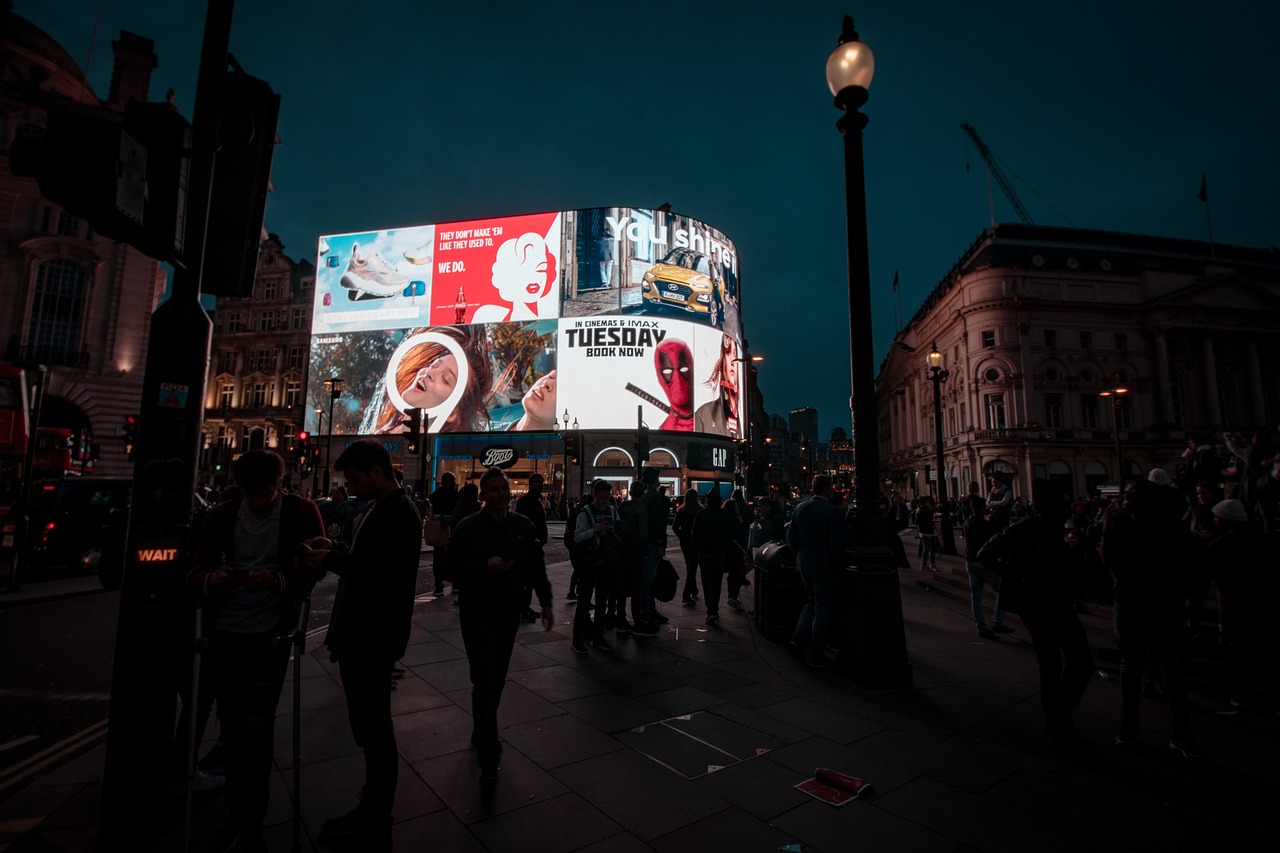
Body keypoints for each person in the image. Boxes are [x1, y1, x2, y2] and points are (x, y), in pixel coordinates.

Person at [188, 450, 326, 853]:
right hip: (226, 633)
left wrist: (279, 581)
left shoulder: (302, 512)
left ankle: (252, 819)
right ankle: (237, 810)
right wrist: (214, 579)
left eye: (265, 494)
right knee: (231, 727)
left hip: (270, 634)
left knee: (255, 726)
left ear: (279, 485)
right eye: (250, 494)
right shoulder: (221, 517)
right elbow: (194, 574)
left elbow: (316, 566)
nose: (258, 502)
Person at [302, 440, 422, 848]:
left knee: (375, 730)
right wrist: (333, 548)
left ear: (376, 471)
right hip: (364, 633)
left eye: (354, 479)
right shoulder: (378, 509)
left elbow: (378, 574)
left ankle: (375, 814)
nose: (349, 487)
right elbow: (363, 558)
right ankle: (372, 805)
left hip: (375, 634)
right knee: (369, 727)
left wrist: (332, 561)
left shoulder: (399, 513)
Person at [446, 467, 554, 786]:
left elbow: (536, 566)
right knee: (485, 679)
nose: (501, 495)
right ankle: (489, 754)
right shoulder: (468, 528)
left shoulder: (522, 525)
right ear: (482, 495)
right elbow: (450, 568)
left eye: (504, 489)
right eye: (494, 490)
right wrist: (484, 567)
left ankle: (482, 726)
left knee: (498, 678)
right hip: (476, 614)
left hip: (507, 614)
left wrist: (546, 602)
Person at [979, 479, 1094, 753]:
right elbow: (985, 553)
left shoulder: (1059, 529)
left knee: (1079, 661)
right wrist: (1017, 580)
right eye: (1063, 501)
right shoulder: (1027, 527)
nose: (1068, 505)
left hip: (1059, 603)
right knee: (1052, 662)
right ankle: (1057, 719)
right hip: (1038, 605)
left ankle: (1059, 713)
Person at [1102, 478, 1200, 758]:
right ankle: (1181, 734)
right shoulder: (1173, 524)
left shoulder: (1121, 521)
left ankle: (1130, 727)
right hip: (1166, 600)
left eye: (1129, 494)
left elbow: (1108, 559)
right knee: (1171, 667)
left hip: (1132, 598)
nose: (1124, 498)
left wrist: (1109, 526)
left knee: (1131, 665)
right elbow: (1189, 562)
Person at [364, 325, 493, 435]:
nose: (430, 372)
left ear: (452, 413)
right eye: (433, 365)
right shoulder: (379, 433)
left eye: (445, 379)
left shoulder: (440, 459)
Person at [787, 475, 844, 669]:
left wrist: (799, 556)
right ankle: (817, 654)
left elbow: (791, 537)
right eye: (831, 488)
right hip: (824, 566)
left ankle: (797, 637)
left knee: (812, 601)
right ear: (827, 489)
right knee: (822, 609)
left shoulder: (800, 508)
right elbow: (835, 545)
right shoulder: (832, 512)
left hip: (804, 563)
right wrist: (836, 565)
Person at [572, 479, 623, 651]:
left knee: (602, 600)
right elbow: (577, 537)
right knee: (584, 600)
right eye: (601, 497)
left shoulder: (612, 511)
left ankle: (597, 635)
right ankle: (577, 638)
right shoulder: (585, 512)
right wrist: (596, 530)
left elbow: (620, 534)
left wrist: (614, 531)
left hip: (607, 561)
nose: (604, 501)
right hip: (590, 562)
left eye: (607, 498)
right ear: (594, 495)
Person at [960, 480, 1012, 638]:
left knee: (976, 596)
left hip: (970, 562)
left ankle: (981, 627)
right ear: (983, 509)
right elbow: (991, 544)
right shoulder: (986, 525)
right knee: (1003, 589)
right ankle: (997, 621)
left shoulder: (968, 523)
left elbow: (977, 523)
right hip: (983, 562)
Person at [691, 490, 736, 629]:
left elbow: (694, 535)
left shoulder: (701, 514)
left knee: (707, 581)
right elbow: (730, 534)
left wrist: (699, 547)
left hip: (705, 552)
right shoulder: (725, 515)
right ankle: (714, 608)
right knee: (717, 582)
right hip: (719, 552)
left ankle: (711, 610)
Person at [616, 480, 654, 635]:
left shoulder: (622, 508)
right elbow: (643, 534)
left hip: (623, 551)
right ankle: (638, 621)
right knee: (637, 589)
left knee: (623, 588)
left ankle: (621, 619)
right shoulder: (641, 510)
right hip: (636, 552)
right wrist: (645, 551)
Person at [515, 473, 549, 623]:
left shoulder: (537, 500)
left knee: (531, 579)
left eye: (541, 482)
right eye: (537, 482)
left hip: (536, 543)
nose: (540, 484)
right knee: (527, 579)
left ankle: (526, 607)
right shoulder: (526, 501)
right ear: (530, 484)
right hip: (529, 545)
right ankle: (523, 608)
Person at [693, 334, 740, 437]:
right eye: (728, 353)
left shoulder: (743, 417)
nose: (732, 361)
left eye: (735, 355)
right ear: (723, 360)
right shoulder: (704, 414)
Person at [428, 472, 459, 596]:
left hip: (439, 527)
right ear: (451, 482)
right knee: (454, 557)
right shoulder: (456, 496)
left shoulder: (435, 495)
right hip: (452, 528)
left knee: (438, 558)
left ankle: (439, 586)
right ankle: (455, 585)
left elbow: (432, 512)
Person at [672, 489, 702, 605]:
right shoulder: (699, 510)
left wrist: (682, 536)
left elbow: (675, 527)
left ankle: (693, 589)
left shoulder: (682, 511)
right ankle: (687, 594)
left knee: (689, 565)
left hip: (685, 542)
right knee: (692, 567)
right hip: (695, 541)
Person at [915, 494, 938, 571]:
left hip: (929, 530)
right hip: (926, 531)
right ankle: (924, 565)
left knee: (931, 547)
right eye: (927, 502)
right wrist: (933, 510)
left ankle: (931, 564)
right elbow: (927, 518)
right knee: (927, 548)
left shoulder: (923, 509)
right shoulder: (922, 510)